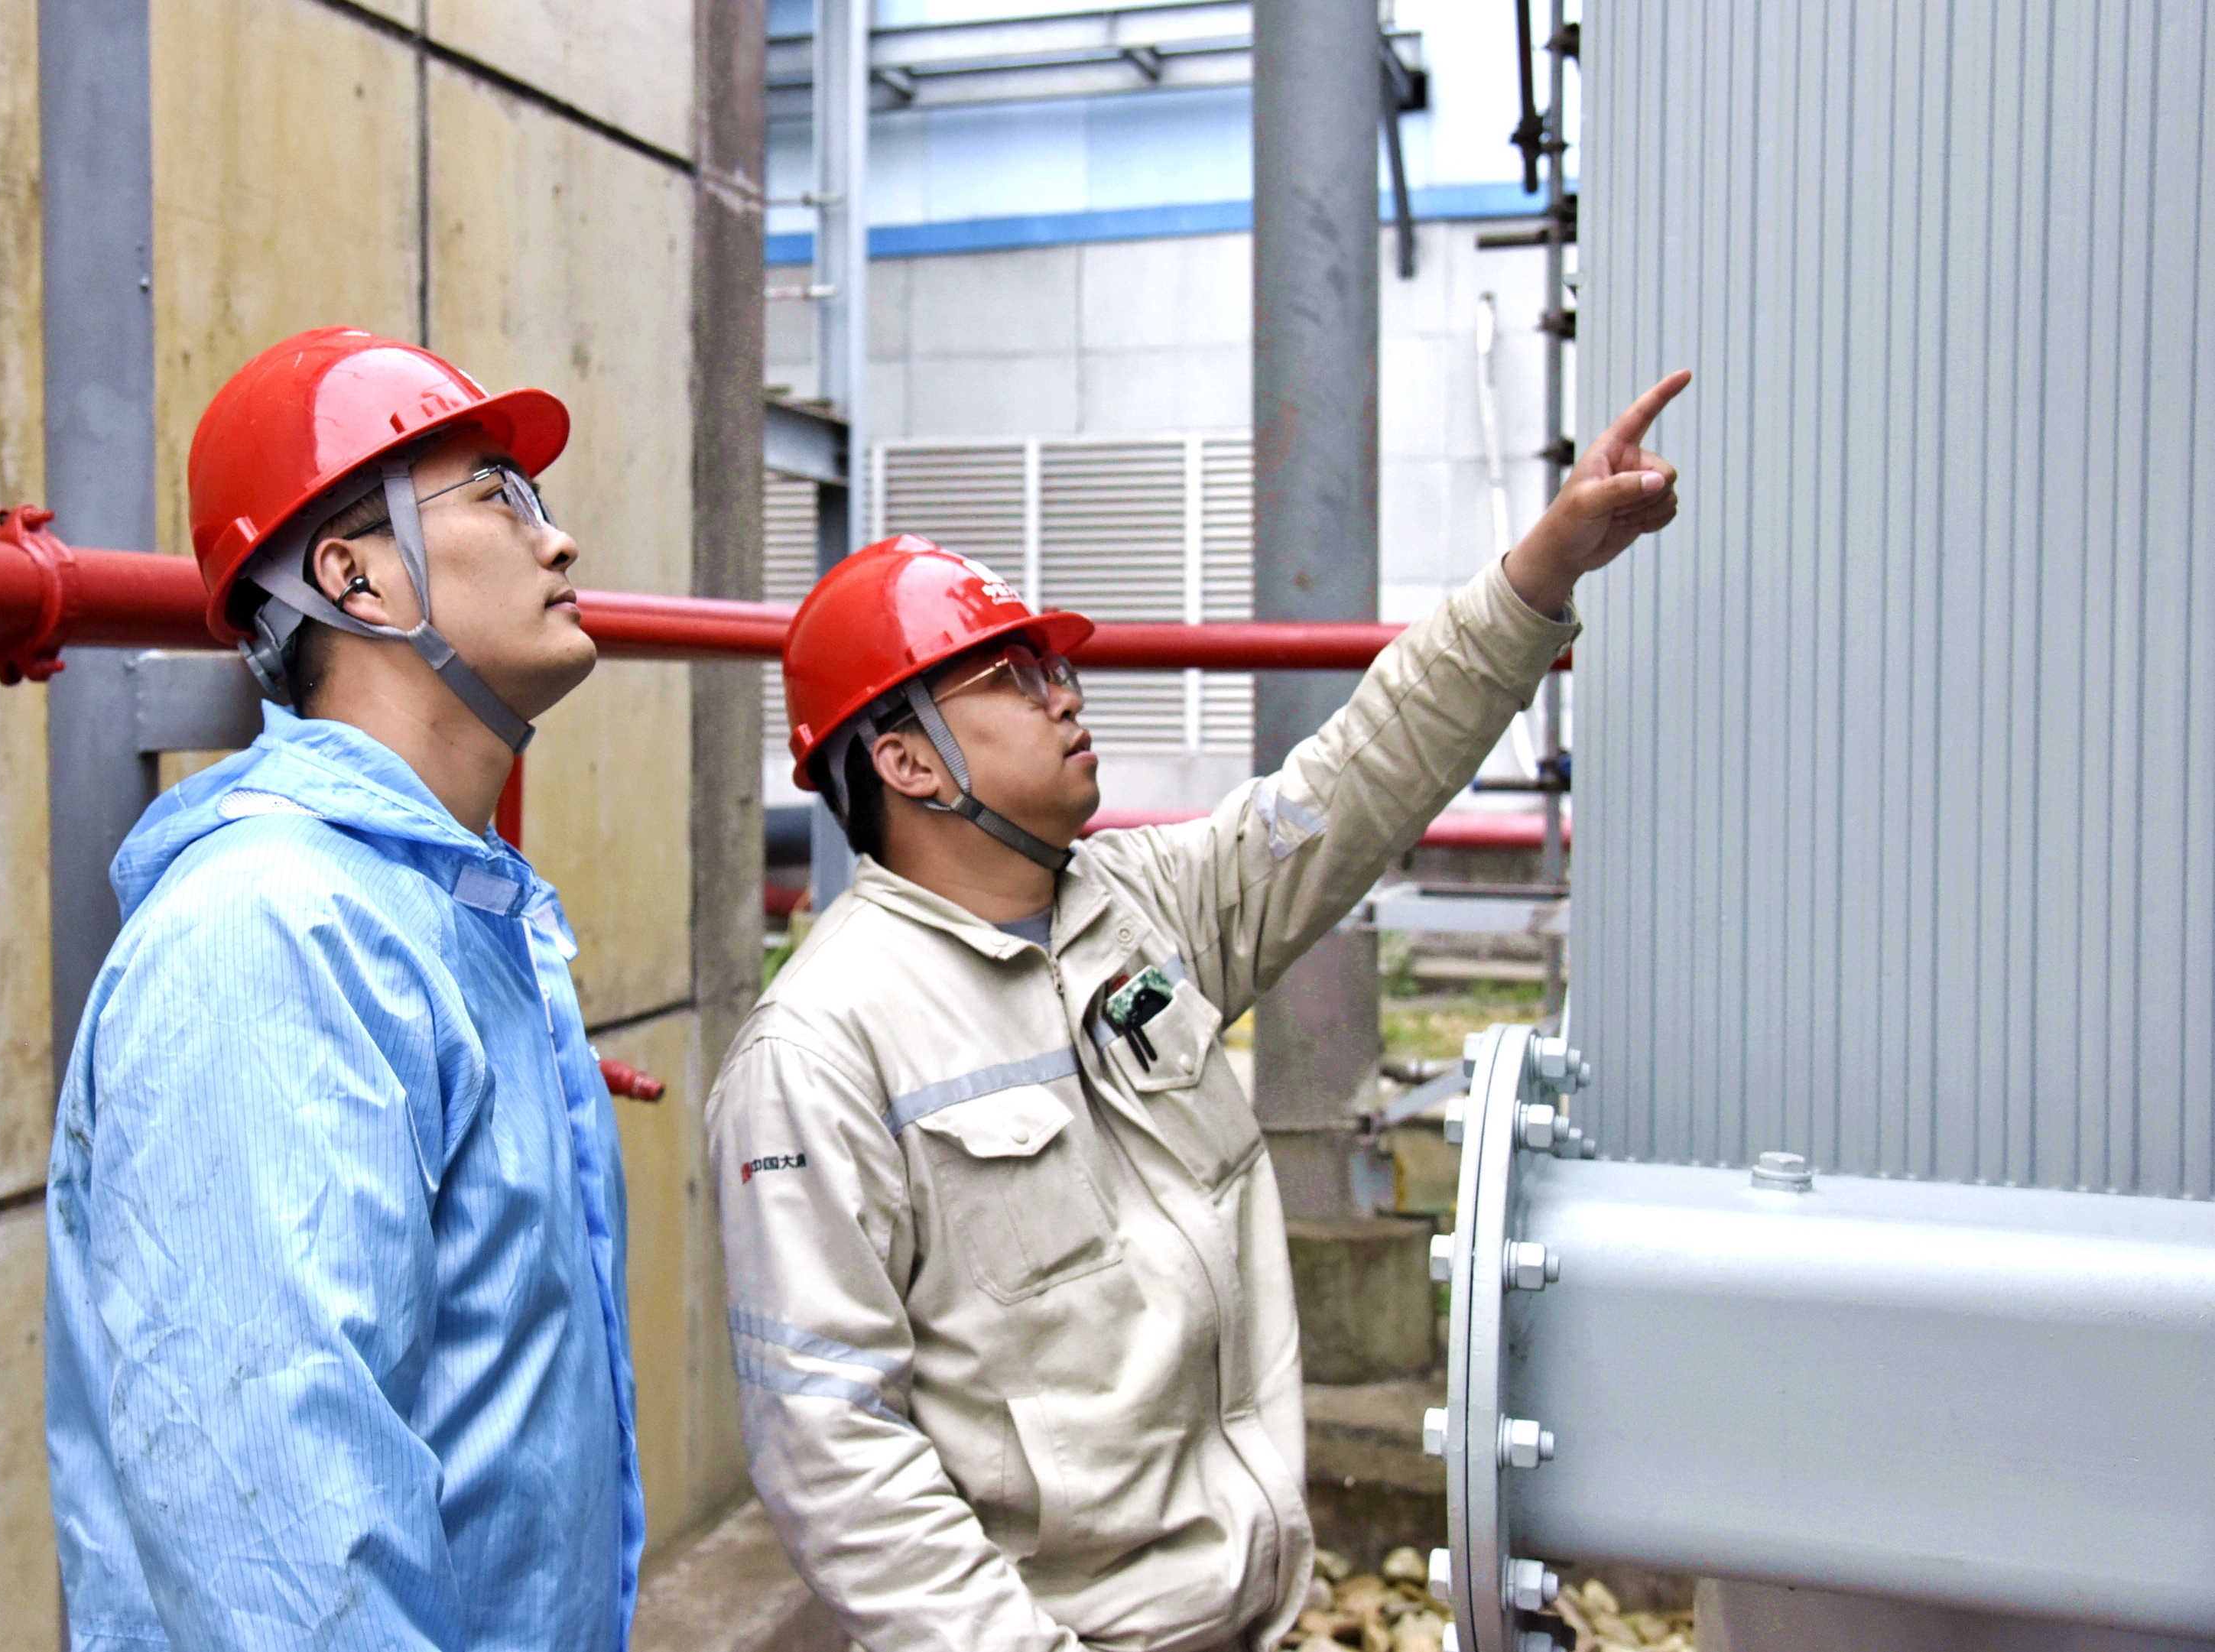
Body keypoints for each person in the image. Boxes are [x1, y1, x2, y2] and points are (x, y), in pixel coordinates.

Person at [707, 374, 1690, 1651]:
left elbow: (1360, 775)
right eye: (1012, 677)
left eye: (1055, 665)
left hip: (1244, 1615)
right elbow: (833, 1445)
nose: (1065, 693)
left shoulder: (1142, 907)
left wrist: (1541, 569)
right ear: (902, 761)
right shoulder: (819, 1048)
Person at [44, 328, 642, 1652]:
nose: (557, 541)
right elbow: (285, 1556)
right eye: (499, 494)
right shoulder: (275, 936)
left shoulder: (445, 906)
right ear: (354, 575)